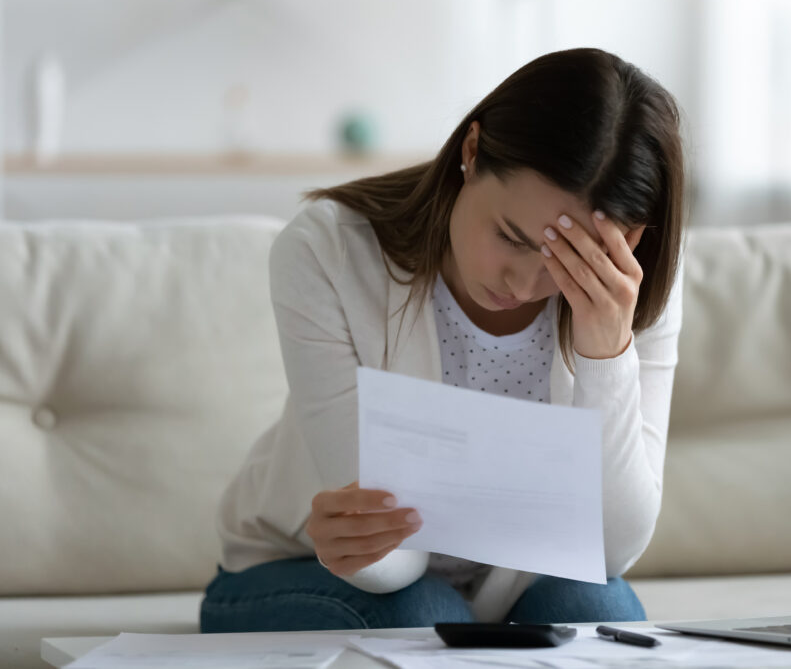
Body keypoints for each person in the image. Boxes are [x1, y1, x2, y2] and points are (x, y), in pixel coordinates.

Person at [200, 47, 687, 633]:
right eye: (510, 236)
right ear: (472, 152)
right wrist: (359, 544)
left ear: (627, 241)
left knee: (597, 609)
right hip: (304, 568)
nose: (524, 284)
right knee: (425, 614)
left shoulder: (634, 287)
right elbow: (394, 562)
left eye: (563, 260)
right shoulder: (326, 251)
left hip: (511, 584)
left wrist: (606, 350)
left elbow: (608, 555)